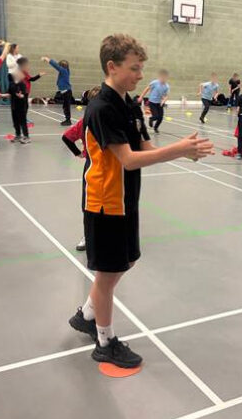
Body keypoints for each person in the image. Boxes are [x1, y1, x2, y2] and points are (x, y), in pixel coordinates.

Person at [68, 34, 214, 367]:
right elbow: (128, 160)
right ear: (112, 66)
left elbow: (145, 150)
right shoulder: (101, 108)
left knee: (127, 261)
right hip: (105, 201)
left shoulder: (130, 105)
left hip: (127, 199)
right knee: (108, 275)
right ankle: (104, 342)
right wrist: (177, 150)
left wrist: (183, 153)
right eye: (134, 68)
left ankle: (87, 315)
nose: (139, 75)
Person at [61, 85, 102, 252]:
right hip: (92, 168)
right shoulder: (84, 122)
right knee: (88, 204)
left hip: (111, 168)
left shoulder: (112, 122)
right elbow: (67, 137)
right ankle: (88, 235)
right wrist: (79, 153)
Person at [41, 56, 72, 126]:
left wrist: (47, 59)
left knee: (66, 107)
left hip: (67, 92)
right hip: (65, 92)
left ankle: (68, 120)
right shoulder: (65, 71)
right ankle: (67, 119)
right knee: (65, 106)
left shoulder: (64, 71)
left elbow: (56, 66)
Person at [8, 69, 30, 144]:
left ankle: (26, 137)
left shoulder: (22, 84)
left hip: (21, 106)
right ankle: (18, 135)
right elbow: (10, 93)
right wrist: (1, 95)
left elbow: (24, 94)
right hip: (13, 106)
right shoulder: (11, 84)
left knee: (22, 122)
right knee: (15, 122)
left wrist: (21, 96)